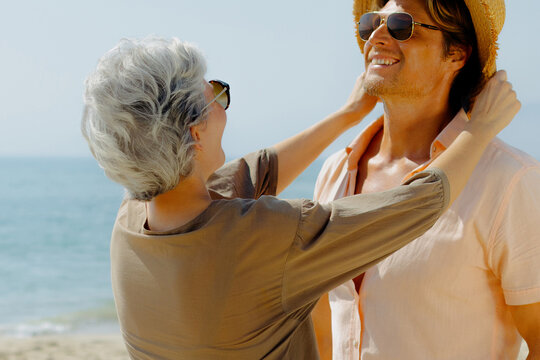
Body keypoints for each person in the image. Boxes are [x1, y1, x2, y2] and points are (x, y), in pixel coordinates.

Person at [81, 37, 518, 359]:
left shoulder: (131, 223)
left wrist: (348, 115)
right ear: (194, 133)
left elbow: (253, 173)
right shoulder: (266, 235)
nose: (224, 106)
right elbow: (417, 204)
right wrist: (478, 132)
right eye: (215, 94)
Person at [311, 0, 540, 359]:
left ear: (457, 55)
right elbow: (321, 332)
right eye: (373, 22)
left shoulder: (509, 179)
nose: (378, 36)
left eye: (402, 25)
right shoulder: (335, 173)